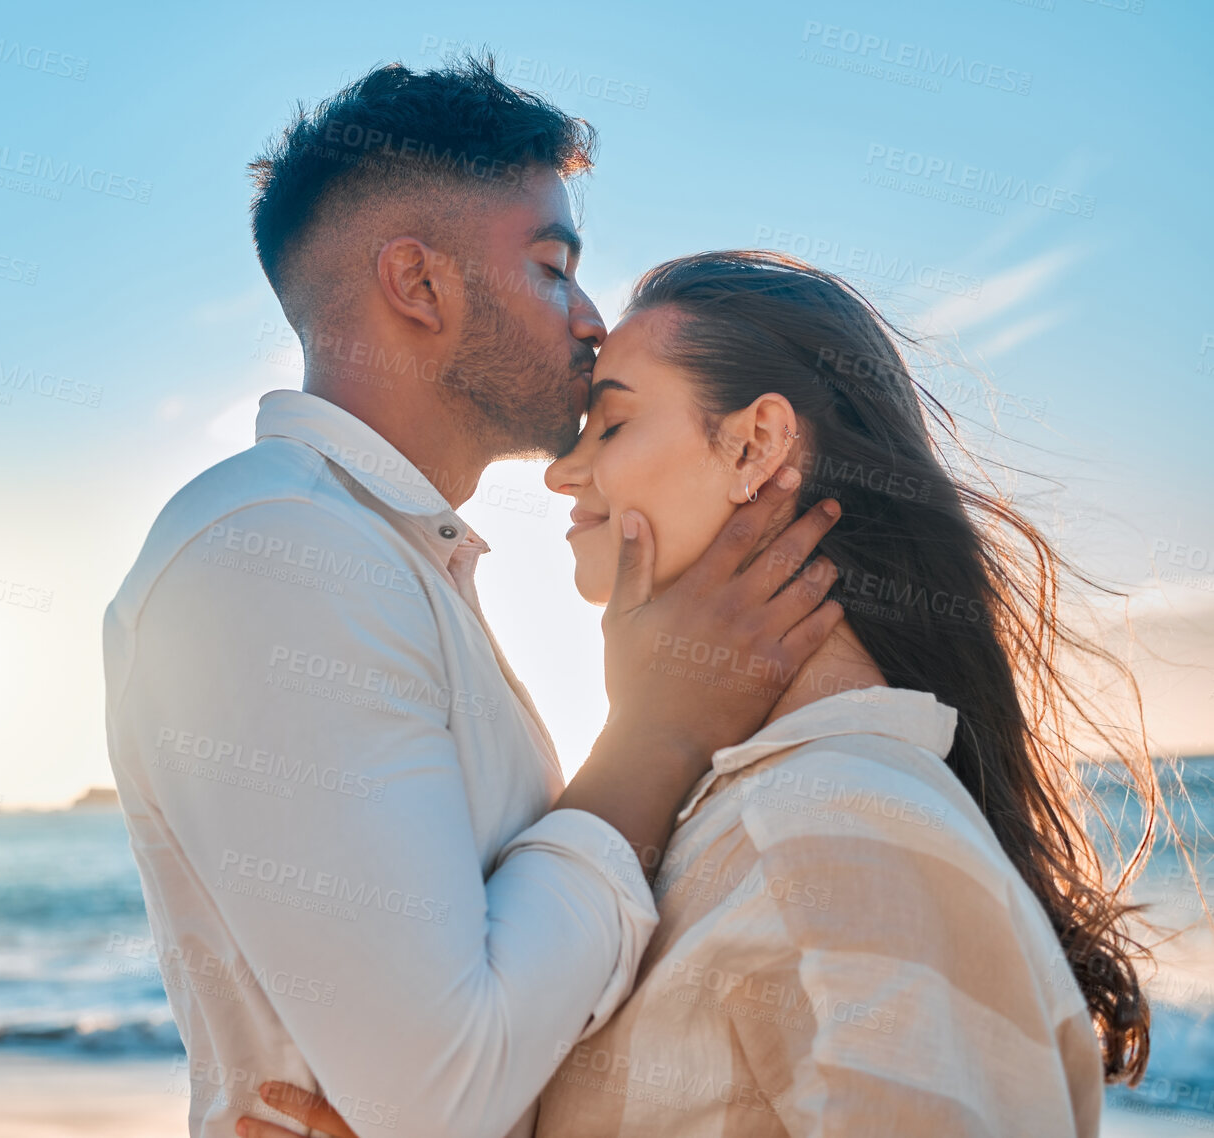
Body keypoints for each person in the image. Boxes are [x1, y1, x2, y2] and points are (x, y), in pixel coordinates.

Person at [238, 251, 1159, 1138]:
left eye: (611, 425)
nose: (561, 472)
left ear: (754, 444)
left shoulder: (842, 828)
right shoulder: (754, 817)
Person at [102, 60, 842, 1138]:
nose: (590, 319)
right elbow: (439, 1096)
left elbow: (477, 1057)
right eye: (551, 267)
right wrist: (653, 732)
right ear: (419, 285)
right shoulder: (279, 551)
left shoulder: (381, 558)